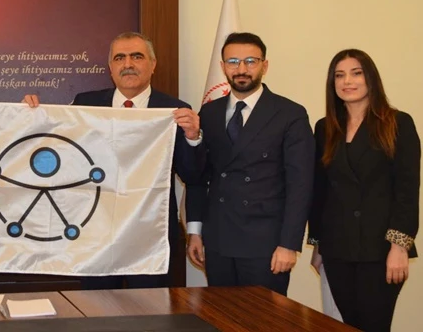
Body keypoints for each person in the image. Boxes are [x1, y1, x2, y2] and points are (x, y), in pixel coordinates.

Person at [23, 31, 204, 289]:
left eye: (137, 56)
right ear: (110, 67)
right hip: (95, 232)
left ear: (153, 64)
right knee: (98, 308)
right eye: (120, 58)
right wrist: (30, 119)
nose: (127, 64)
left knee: (150, 309)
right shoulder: (85, 105)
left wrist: (193, 137)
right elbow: (57, 154)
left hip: (150, 237)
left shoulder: (174, 110)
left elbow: (193, 176)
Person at [185, 32, 314, 296]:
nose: (241, 69)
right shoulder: (209, 112)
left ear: (265, 65)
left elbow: (300, 185)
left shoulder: (290, 114)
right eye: (233, 61)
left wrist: (289, 244)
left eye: (250, 61)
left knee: (264, 317)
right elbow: (199, 178)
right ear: (223, 67)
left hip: (266, 244)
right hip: (218, 241)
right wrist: (195, 231)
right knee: (222, 314)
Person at [308, 49, 419, 331]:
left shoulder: (398, 123)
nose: (348, 81)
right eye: (339, 75)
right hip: (337, 248)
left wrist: (399, 247)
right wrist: (318, 243)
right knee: (350, 325)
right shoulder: (324, 127)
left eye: (356, 73)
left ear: (371, 78)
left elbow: (407, 190)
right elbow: (320, 191)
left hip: (380, 248)